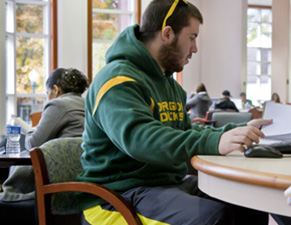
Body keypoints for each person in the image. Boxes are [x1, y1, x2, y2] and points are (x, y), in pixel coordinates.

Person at [76, 1, 272, 224]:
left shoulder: (170, 86)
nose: (195, 48)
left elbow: (185, 131)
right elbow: (141, 140)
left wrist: (236, 132)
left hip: (163, 186)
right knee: (211, 218)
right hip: (117, 196)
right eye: (192, 37)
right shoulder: (117, 81)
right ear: (168, 34)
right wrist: (215, 142)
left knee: (248, 204)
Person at [0, 67, 88, 202]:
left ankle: (8, 195)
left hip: (54, 176)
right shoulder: (86, 104)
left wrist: (30, 129)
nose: (48, 97)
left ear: (55, 89)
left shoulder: (58, 104)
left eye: (47, 92)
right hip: (78, 174)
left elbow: (34, 143)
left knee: (10, 141)